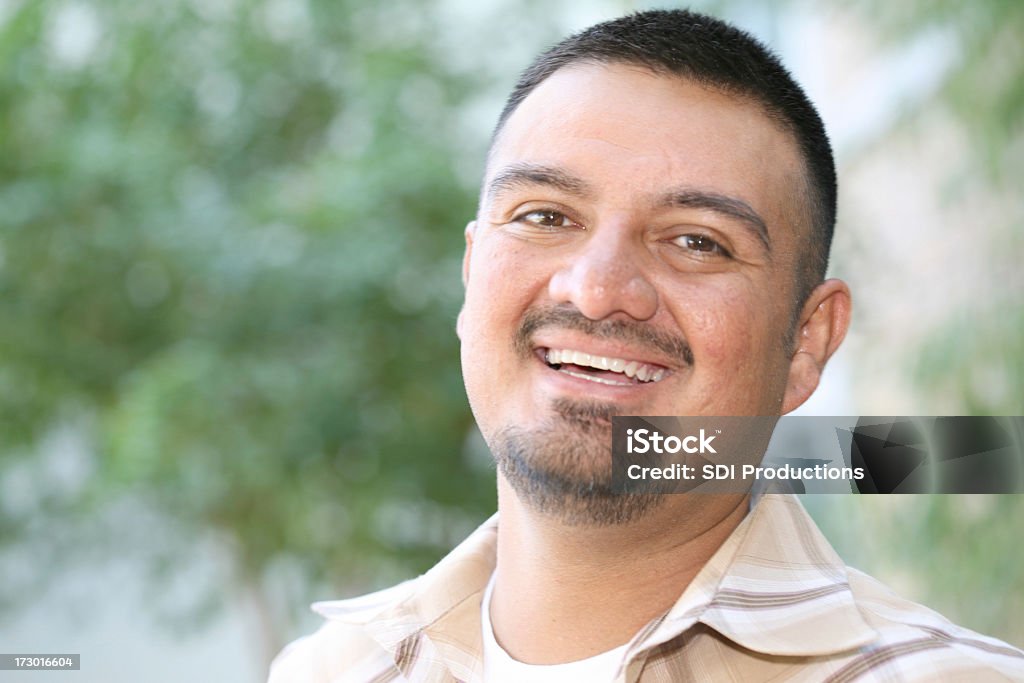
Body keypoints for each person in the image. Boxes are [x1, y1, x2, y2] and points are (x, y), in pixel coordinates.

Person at [269, 9, 1024, 682]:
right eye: (544, 215)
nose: (596, 290)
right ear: (472, 276)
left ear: (806, 341)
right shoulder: (327, 668)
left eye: (696, 240)